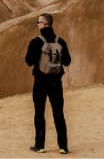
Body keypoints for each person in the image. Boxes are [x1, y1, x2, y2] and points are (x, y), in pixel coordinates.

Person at [25, 13, 71, 154]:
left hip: (40, 82)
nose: (37, 24)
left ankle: (40, 146)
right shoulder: (60, 41)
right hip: (56, 83)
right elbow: (67, 61)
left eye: (38, 22)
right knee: (58, 113)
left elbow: (28, 61)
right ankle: (63, 146)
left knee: (39, 113)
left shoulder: (36, 42)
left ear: (45, 24)